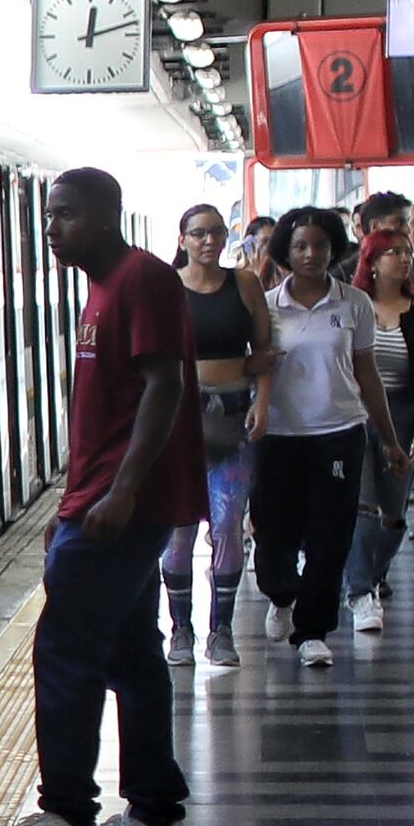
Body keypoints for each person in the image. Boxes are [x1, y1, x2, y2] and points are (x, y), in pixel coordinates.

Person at [0, 167, 198, 826]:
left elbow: (164, 387)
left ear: (107, 216)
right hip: (100, 502)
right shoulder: (102, 288)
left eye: (66, 214)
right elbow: (100, 414)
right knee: (131, 654)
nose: (52, 227)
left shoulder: (143, 279)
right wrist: (68, 501)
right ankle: (156, 814)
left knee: (64, 648)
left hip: (123, 506)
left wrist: (122, 492)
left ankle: (68, 815)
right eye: (49, 215)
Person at [251, 209, 390, 668]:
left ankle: (313, 630)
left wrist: (388, 438)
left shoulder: (354, 304)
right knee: (274, 533)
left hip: (339, 433)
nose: (311, 255)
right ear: (285, 253)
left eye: (320, 246)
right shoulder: (265, 305)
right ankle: (281, 595)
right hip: (278, 435)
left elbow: (366, 371)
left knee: (331, 536)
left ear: (334, 250)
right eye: (300, 247)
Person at [164, 203, 275, 661]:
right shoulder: (168, 288)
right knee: (180, 530)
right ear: (183, 239)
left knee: (228, 523)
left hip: (233, 412)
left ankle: (221, 631)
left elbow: (264, 349)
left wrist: (262, 401)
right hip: (179, 418)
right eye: (198, 234)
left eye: (215, 233)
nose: (209, 241)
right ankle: (181, 631)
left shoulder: (244, 285)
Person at [345, 228, 414, 636]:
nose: (403, 259)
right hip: (356, 412)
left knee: (392, 512)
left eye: (407, 252)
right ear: (371, 261)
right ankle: (360, 591)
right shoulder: (354, 306)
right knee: (363, 504)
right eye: (392, 252)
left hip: (405, 413)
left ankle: (371, 573)